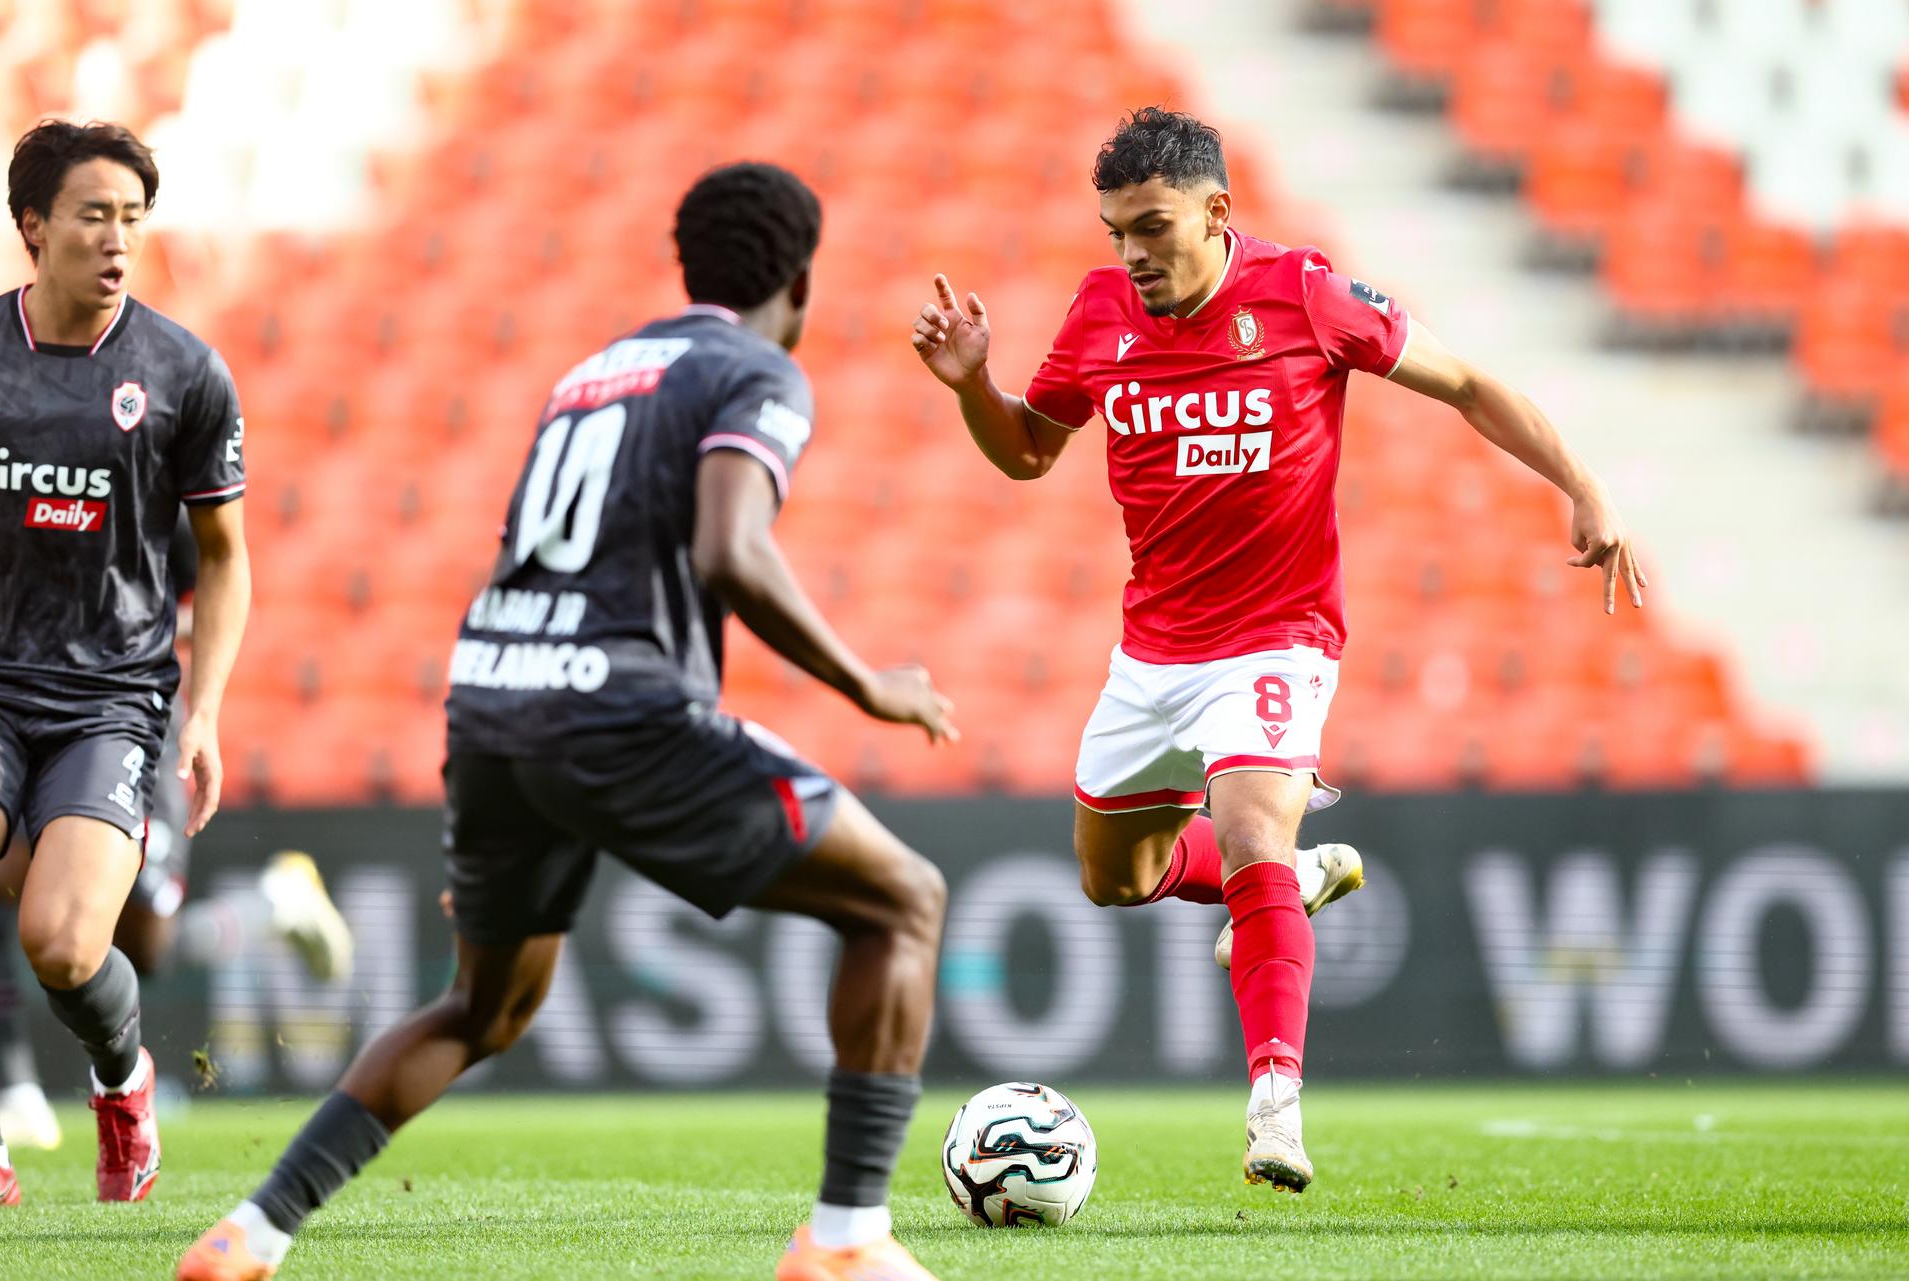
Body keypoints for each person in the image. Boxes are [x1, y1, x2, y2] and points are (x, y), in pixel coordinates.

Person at [178, 161, 954, 1281]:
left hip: (493, 703)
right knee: (904, 902)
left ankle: (250, 1235)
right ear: (802, 282)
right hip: (618, 709)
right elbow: (729, 551)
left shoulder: (591, 375)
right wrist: (868, 684)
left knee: (483, 1007)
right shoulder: (758, 372)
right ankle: (844, 1243)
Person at [910, 107, 1645, 1193]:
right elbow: (1027, 452)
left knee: (1248, 825)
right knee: (1119, 879)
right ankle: (1291, 882)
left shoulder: (1305, 294)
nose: (1133, 253)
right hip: (1153, 652)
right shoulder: (1102, 312)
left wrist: (1583, 485)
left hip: (1277, 637)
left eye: (1152, 226)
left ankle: (1276, 1108)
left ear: (1216, 212)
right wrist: (975, 383)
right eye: (1116, 230)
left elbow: (1470, 385)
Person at [0, 119, 252, 1207]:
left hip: (110, 704)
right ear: (32, 228)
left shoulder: (183, 374)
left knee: (60, 943)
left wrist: (205, 714)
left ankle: (123, 1078)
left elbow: (228, 557)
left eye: (133, 220)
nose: (118, 241)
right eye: (94, 216)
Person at [0, 523, 350, 1152]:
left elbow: (213, 584)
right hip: (17, 714)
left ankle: (273, 904)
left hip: (120, 716)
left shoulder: (143, 474)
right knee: (10, 888)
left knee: (141, 947)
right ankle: (14, 1085)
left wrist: (110, 631)